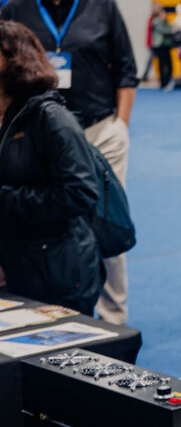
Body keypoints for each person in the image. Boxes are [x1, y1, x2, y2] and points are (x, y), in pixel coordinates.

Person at [1, 0, 137, 325]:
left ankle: (112, 320)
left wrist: (121, 127)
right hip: (37, 135)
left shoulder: (103, 7)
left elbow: (125, 71)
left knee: (104, 220)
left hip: (99, 131)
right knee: (48, 218)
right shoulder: (16, 9)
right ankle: (42, 308)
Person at [0, 21, 103, 314]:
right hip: (18, 269)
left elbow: (80, 194)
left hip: (57, 275)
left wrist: (5, 199)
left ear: (15, 59)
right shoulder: (6, 118)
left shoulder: (51, 117)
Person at [150, 4, 175, 91]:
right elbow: (166, 30)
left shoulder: (165, 21)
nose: (165, 14)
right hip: (159, 46)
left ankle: (168, 81)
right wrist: (171, 30)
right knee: (162, 65)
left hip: (166, 46)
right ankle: (163, 82)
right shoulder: (156, 21)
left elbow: (170, 28)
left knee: (169, 64)